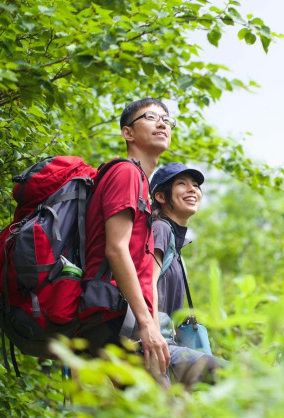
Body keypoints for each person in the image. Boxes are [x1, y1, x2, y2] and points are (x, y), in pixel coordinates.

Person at [78, 97, 173, 378]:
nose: (162, 124)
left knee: (152, 416)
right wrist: (146, 324)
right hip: (116, 317)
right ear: (127, 133)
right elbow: (116, 249)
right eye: (151, 117)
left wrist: (151, 326)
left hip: (125, 319)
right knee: (163, 413)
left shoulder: (141, 182)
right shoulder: (126, 173)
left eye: (167, 120)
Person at [149, 162, 222, 387]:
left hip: (163, 345)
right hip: (148, 344)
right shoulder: (160, 229)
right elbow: (147, 283)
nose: (192, 189)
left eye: (196, 185)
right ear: (161, 196)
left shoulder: (176, 244)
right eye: (182, 184)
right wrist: (152, 336)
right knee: (232, 376)